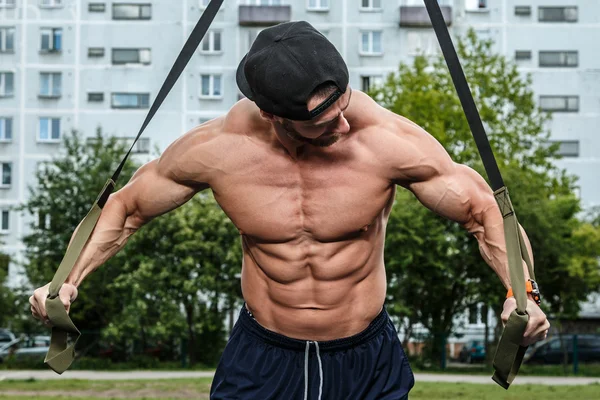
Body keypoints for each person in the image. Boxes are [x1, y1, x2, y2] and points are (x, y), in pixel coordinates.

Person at [30, 21, 550, 399]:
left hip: (366, 356)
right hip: (263, 353)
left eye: (343, 106)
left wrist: (520, 292)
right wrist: (66, 281)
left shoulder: (385, 141)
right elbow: (125, 208)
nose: (343, 128)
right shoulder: (217, 151)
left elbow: (483, 209)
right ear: (272, 117)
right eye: (322, 124)